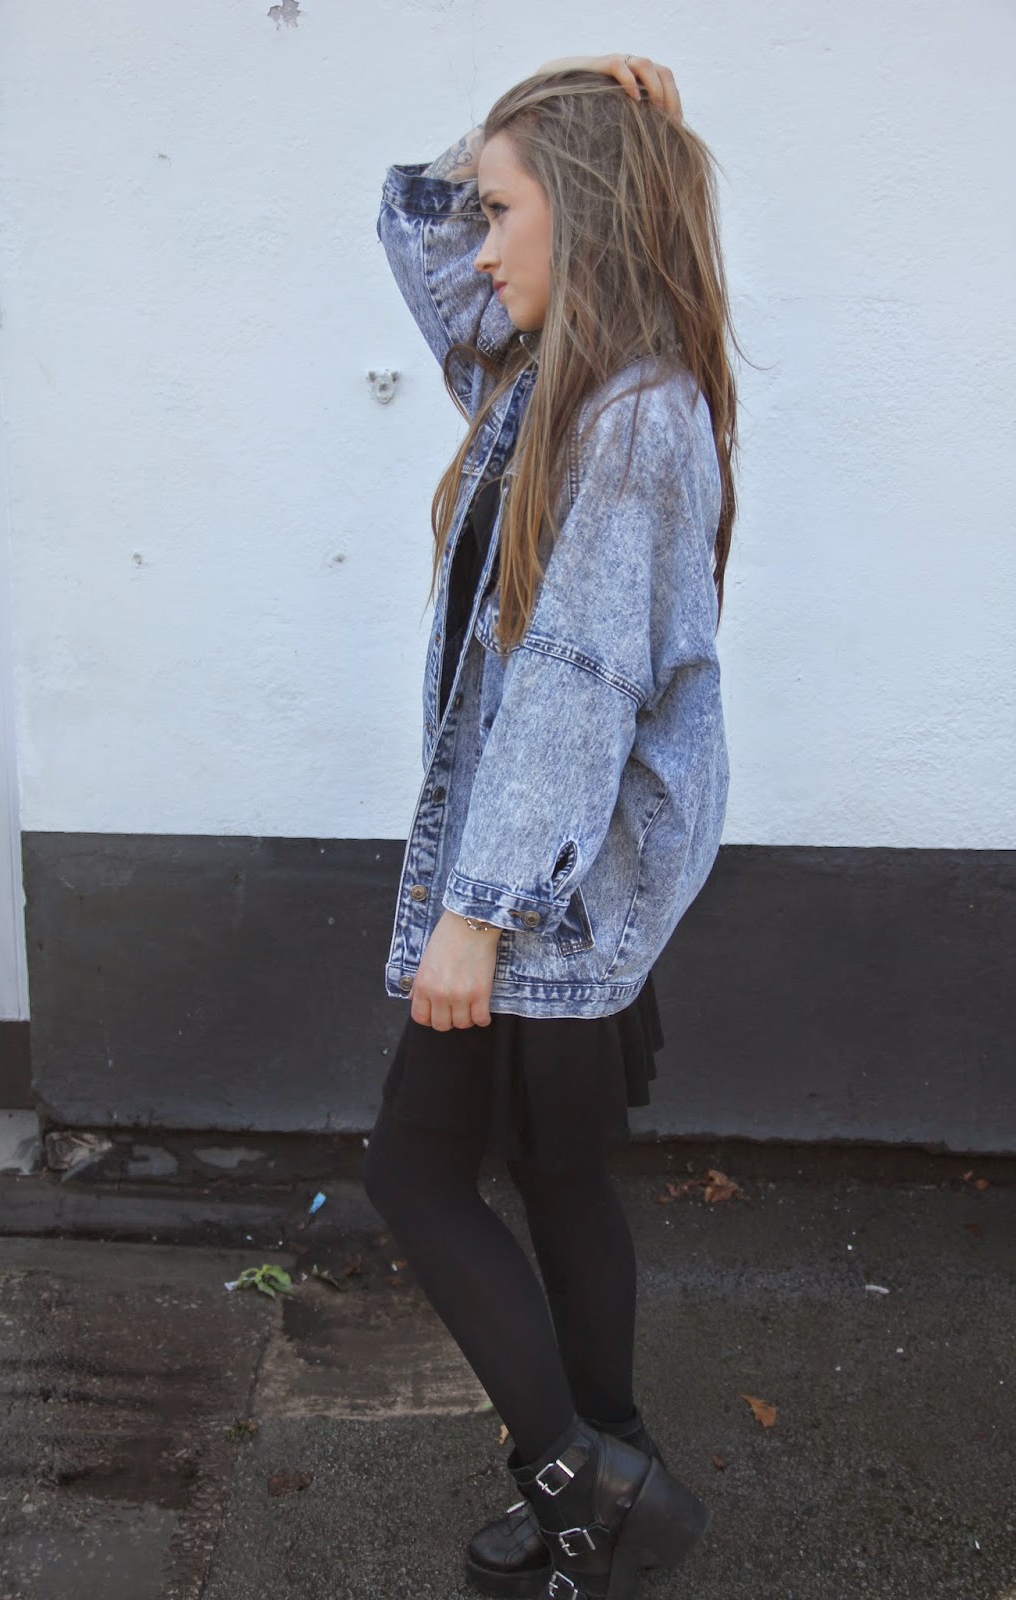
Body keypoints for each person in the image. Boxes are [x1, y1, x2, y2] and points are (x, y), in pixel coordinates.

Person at [364, 52, 737, 1600]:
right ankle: (609, 1462)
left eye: (507, 210)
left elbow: (577, 687)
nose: (480, 247)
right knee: (559, 1174)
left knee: (414, 1175)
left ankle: (590, 1496)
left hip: (548, 881)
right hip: (560, 866)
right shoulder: (544, 376)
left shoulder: (627, 418)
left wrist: (477, 912)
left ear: (581, 220)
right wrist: (515, 126)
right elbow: (419, 238)